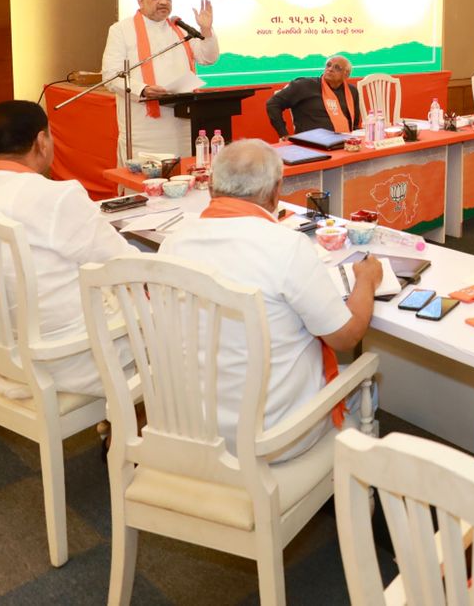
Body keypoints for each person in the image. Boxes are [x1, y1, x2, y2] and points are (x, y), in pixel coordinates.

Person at [157, 140, 383, 462]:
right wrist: (367, 280)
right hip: (275, 437)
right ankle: (354, 480)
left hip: (195, 427)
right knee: (365, 383)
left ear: (211, 187)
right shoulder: (286, 246)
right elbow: (346, 337)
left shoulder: (174, 244)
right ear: (276, 191)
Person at [0, 100, 138, 399]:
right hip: (68, 356)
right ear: (42, 141)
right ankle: (140, 416)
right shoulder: (56, 196)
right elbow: (123, 263)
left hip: (2, 355)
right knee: (175, 306)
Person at [101, 0, 220, 161]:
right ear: (140, 0)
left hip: (183, 125)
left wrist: (206, 30)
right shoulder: (121, 30)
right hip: (144, 129)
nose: (164, 2)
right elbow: (111, 76)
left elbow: (208, 57)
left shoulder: (180, 29)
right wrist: (143, 89)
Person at [266, 54, 363, 137]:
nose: (330, 69)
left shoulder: (352, 91)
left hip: (345, 142)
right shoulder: (304, 85)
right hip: (311, 144)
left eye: (337, 67)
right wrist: (283, 134)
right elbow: (273, 103)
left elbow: (354, 125)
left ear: (346, 74)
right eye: (328, 65)